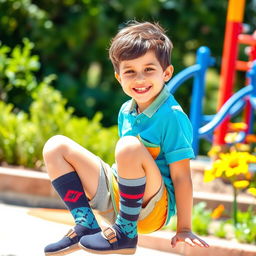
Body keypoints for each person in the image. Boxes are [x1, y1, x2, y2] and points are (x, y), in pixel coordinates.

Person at [43, 21, 209, 256]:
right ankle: (86, 223)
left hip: (152, 209)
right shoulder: (126, 111)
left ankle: (126, 234)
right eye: (130, 71)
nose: (139, 79)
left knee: (128, 146)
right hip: (121, 196)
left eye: (149, 69)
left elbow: (181, 176)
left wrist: (184, 228)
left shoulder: (172, 116)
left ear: (167, 73)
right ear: (119, 77)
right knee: (55, 146)